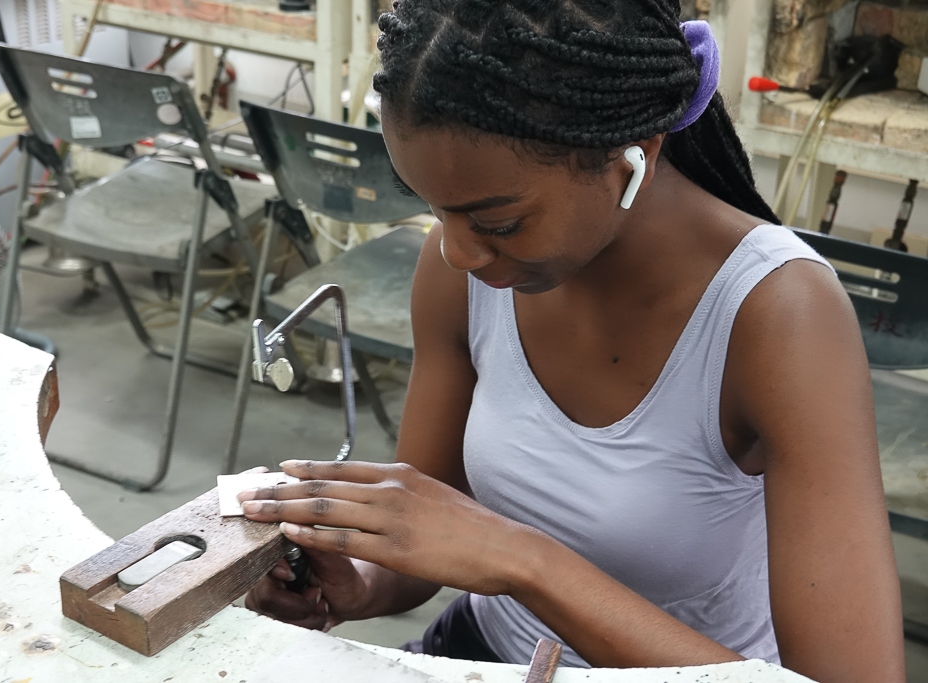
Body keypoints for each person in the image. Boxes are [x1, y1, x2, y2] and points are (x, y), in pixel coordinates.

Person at [237, 1, 905, 680]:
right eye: (433, 207)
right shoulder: (462, 269)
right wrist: (356, 581)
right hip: (488, 652)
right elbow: (433, 528)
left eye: (498, 222)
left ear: (635, 159)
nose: (458, 250)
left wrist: (522, 561)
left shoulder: (778, 316)